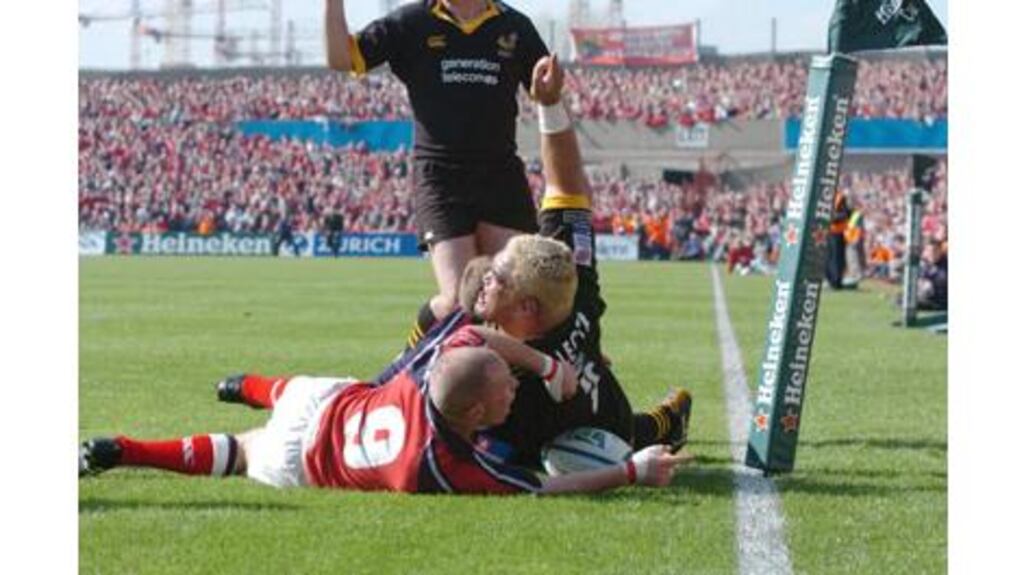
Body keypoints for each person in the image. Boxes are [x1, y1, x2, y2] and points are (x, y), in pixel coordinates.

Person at [396, 55, 693, 468]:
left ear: (527, 307)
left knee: (634, 433)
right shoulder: (573, 282)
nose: (485, 276)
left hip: (594, 433)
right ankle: (670, 422)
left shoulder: (499, 377)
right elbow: (567, 187)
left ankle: (668, 423)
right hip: (604, 406)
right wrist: (550, 104)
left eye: (498, 277)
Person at [80, 332, 687, 495]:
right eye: (505, 389)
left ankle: (247, 385)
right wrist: (628, 473)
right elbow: (545, 491)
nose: (513, 393)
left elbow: (472, 331)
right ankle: (128, 449)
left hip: (325, 403)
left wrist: (542, 366)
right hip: (306, 459)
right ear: (475, 410)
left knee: (306, 390)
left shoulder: (432, 378)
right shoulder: (447, 467)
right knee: (237, 454)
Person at [325, 0, 551, 343]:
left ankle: (526, 382)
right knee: (461, 305)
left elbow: (544, 89)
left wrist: (550, 91)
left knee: (522, 300)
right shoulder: (411, 21)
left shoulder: (515, 25)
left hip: (501, 175)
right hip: (441, 177)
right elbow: (341, 58)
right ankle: (409, 362)